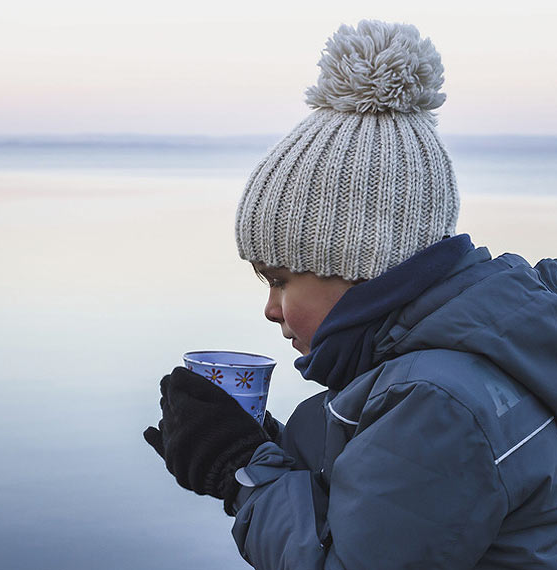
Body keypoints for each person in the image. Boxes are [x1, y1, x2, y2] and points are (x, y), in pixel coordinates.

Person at [144, 20, 557, 568]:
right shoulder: (469, 357)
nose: (271, 310)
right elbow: (385, 501)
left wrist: (239, 470)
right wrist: (262, 444)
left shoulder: (436, 402)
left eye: (280, 279)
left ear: (362, 263)